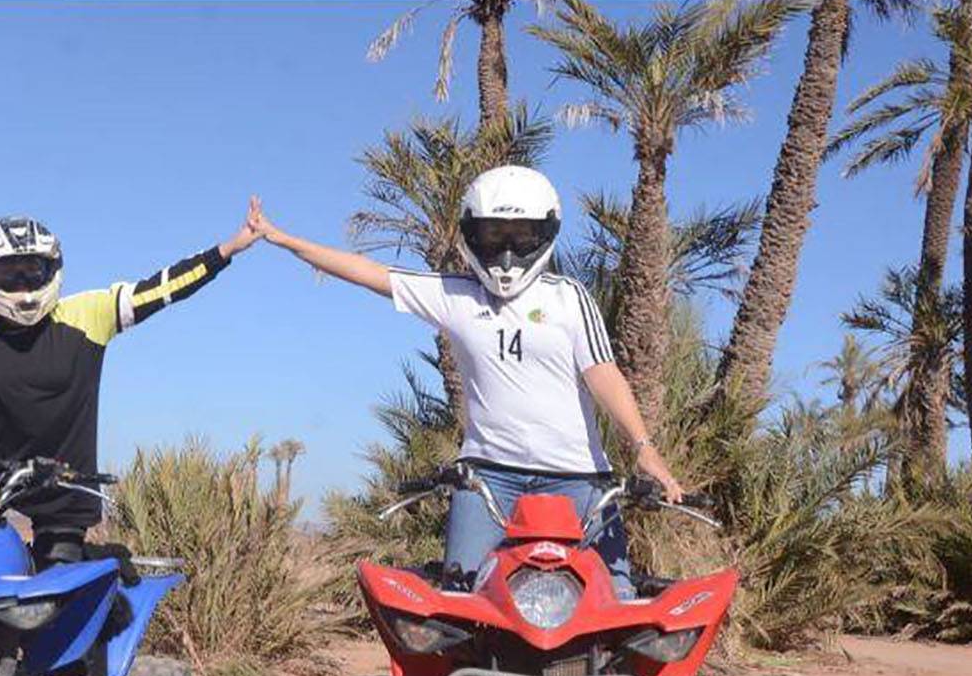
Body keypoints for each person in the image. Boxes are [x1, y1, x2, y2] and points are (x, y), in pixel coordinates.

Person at [246, 168, 684, 596]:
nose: (506, 254)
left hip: (579, 477)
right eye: (493, 236)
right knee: (464, 599)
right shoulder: (453, 294)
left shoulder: (569, 298)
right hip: (487, 478)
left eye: (521, 237)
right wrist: (283, 239)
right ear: (471, 234)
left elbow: (603, 373)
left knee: (615, 598)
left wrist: (644, 448)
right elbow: (369, 272)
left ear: (545, 234)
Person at [0, 207, 260, 571]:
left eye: (33, 270)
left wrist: (227, 250)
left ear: (52, 268)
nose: (23, 284)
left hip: (63, 482)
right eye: (8, 273)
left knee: (57, 601)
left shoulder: (89, 314)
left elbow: (160, 289)